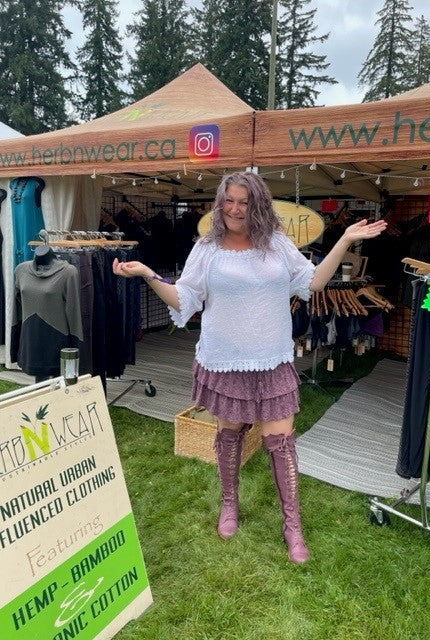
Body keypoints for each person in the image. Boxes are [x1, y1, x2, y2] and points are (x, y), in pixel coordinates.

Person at [112, 171, 387, 564]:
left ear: (258, 205)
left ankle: (292, 525)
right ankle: (230, 503)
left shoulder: (277, 243)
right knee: (229, 435)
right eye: (229, 200)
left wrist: (343, 240)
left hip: (271, 360)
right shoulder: (207, 248)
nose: (235, 209)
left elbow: (312, 283)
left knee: (281, 441)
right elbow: (184, 298)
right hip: (225, 360)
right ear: (219, 203)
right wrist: (148, 275)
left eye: (244, 202)